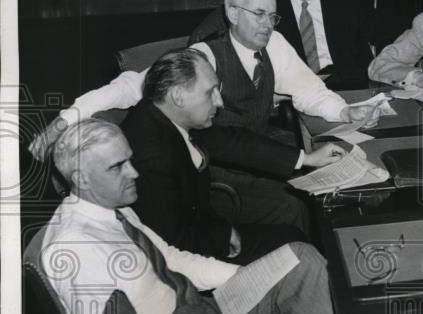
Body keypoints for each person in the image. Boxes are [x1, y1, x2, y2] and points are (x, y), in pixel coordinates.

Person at [39, 118, 349, 314]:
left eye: (129, 160)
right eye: (117, 167)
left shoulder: (115, 210)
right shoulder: (73, 248)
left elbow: (172, 260)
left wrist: (249, 277)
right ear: (81, 178)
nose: (134, 172)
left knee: (298, 259)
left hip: (197, 312)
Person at [29, 0, 379, 231]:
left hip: (254, 155)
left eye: (272, 16)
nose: (266, 24)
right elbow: (130, 86)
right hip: (214, 171)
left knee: (324, 187)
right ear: (231, 12)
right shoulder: (203, 56)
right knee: (295, 206)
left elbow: (309, 90)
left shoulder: (275, 45)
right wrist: (64, 120)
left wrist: (344, 111)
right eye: (258, 13)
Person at [121, 48, 332, 262]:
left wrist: (306, 158)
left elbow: (230, 141)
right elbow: (171, 242)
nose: (219, 102)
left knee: (293, 220)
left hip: (201, 218)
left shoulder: (161, 109)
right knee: (294, 243)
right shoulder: (150, 154)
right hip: (192, 251)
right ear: (178, 96)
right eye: (209, 92)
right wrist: (222, 234)